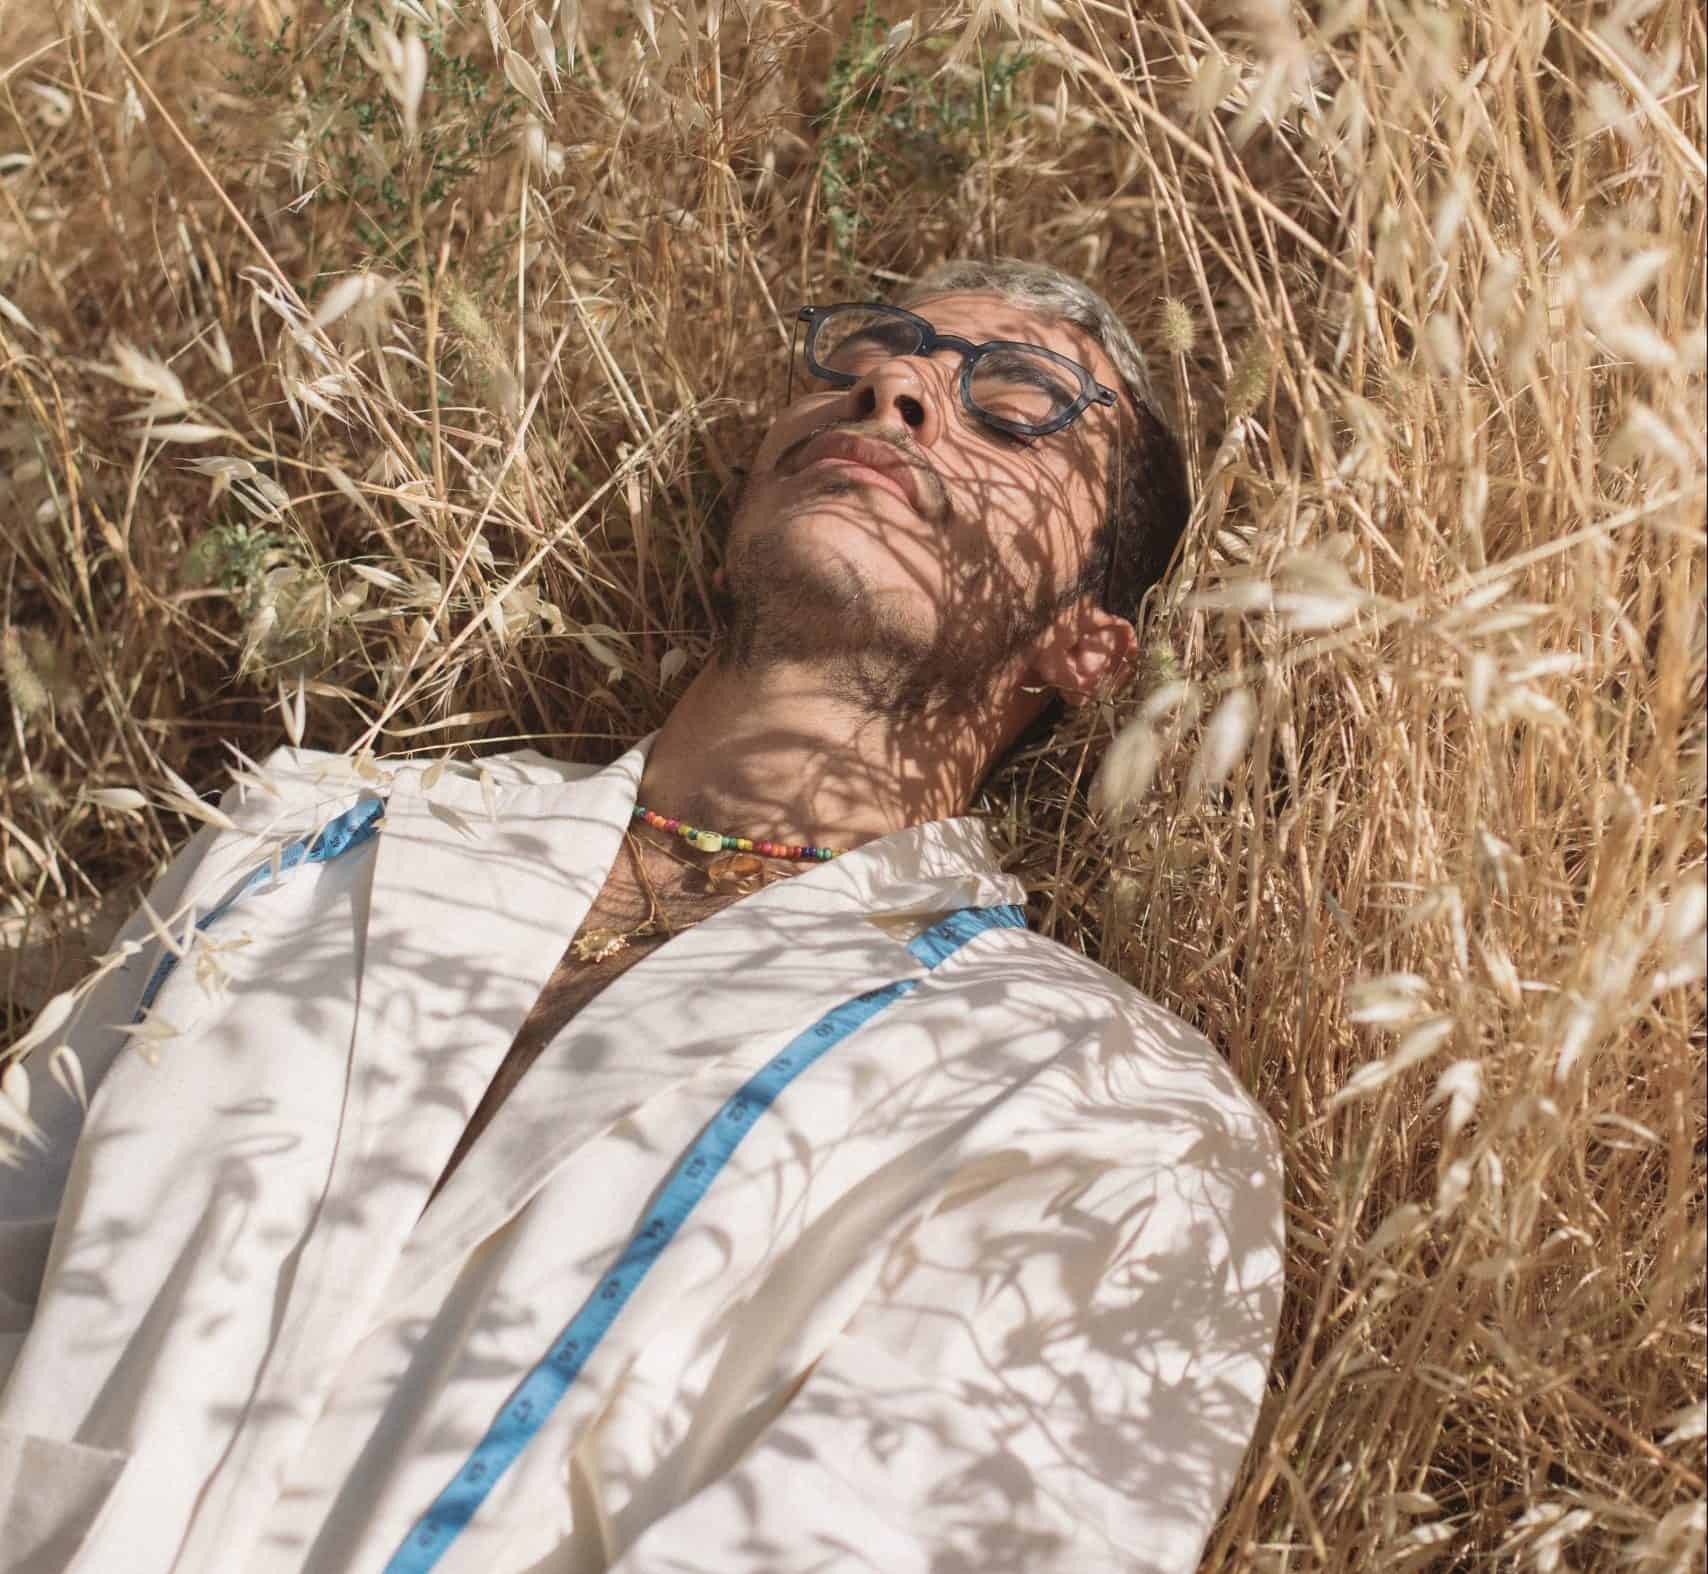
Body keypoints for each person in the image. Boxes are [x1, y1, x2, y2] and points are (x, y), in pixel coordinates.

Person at [0, 259, 1282, 1574]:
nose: (895, 384)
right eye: (866, 351)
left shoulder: (1109, 1105)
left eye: (1015, 405)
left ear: (1085, 645)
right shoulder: (311, 839)